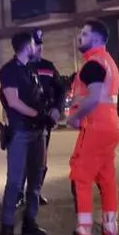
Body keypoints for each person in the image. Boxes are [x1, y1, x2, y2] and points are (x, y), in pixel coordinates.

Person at [55, 19, 119, 235]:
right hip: (111, 126)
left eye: (84, 34)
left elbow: (93, 98)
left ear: (95, 38)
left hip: (95, 126)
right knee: (106, 179)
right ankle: (109, 231)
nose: (79, 37)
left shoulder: (93, 64)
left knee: (81, 177)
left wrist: (75, 118)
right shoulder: (109, 62)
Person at [0, 30, 49, 235]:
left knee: (36, 178)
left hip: (37, 131)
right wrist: (37, 114)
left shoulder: (31, 70)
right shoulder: (9, 70)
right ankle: (7, 227)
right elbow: (13, 101)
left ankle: (30, 222)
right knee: (15, 182)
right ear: (27, 46)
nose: (36, 47)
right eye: (33, 44)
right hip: (20, 131)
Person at [29, 29, 66, 206]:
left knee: (41, 160)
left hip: (45, 121)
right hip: (25, 121)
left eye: (41, 46)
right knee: (24, 160)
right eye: (36, 46)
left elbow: (60, 90)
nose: (39, 50)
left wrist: (58, 109)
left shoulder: (48, 67)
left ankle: (36, 191)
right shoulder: (21, 67)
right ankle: (22, 194)